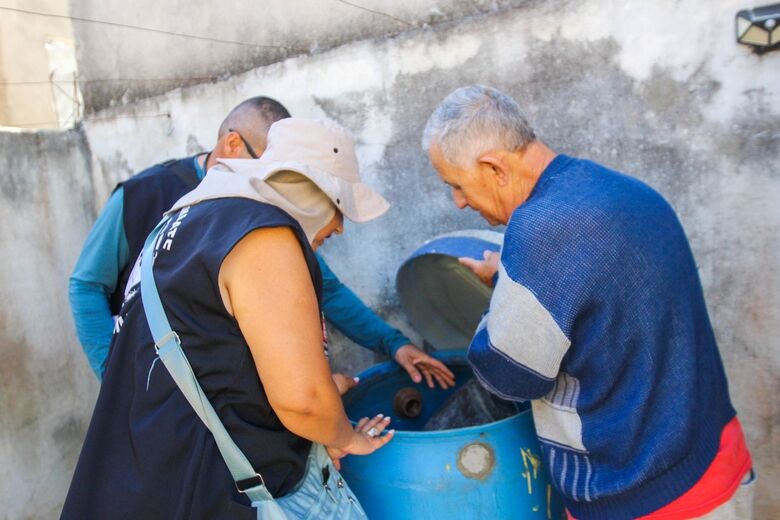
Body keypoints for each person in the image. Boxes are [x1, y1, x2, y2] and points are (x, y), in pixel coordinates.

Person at [421, 85, 754, 519]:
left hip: (643, 495)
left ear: (493, 167)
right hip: (714, 455)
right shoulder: (617, 188)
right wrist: (516, 276)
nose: (459, 201)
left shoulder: (541, 232)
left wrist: (505, 291)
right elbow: (604, 300)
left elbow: (509, 376)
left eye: (457, 185)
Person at [61, 118, 395, 519]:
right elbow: (303, 402)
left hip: (150, 476)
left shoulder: (182, 225)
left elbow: (219, 365)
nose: (339, 227)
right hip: (216, 492)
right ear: (308, 191)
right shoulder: (263, 234)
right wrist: (347, 436)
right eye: (338, 207)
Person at [69, 96, 454, 389]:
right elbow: (86, 285)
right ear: (233, 145)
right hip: (158, 389)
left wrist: (392, 342)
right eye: (273, 165)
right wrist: (114, 373)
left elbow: (326, 288)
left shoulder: (265, 210)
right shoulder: (142, 196)